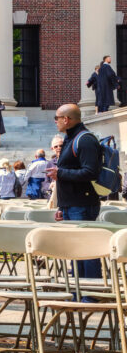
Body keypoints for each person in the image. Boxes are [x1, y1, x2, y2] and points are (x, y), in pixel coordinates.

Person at [47, 103, 103, 280]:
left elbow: (91, 172)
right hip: (72, 205)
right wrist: (62, 207)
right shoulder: (71, 139)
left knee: (86, 251)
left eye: (57, 118)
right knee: (75, 253)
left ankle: (92, 294)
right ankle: (79, 293)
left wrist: (60, 172)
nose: (55, 121)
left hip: (83, 205)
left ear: (66, 119)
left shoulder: (84, 139)